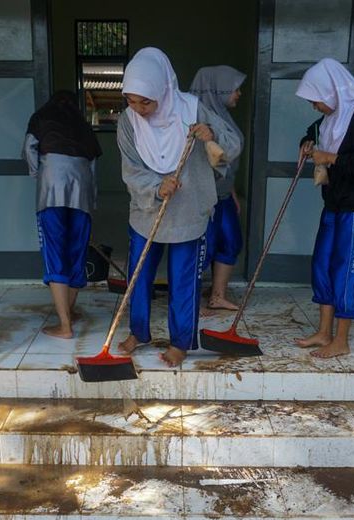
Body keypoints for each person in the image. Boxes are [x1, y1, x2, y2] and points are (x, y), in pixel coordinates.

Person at [115, 47, 242, 367]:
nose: (138, 108)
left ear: (163, 90)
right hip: (147, 211)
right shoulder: (128, 122)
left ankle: (181, 341)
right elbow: (130, 168)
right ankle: (139, 332)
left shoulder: (191, 108)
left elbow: (232, 144)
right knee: (138, 276)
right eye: (131, 100)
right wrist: (156, 186)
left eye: (146, 100)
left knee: (183, 279)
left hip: (188, 211)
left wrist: (210, 134)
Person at [294, 58, 354, 359]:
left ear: (332, 90)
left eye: (316, 101)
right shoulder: (333, 116)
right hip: (335, 202)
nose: (316, 107)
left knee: (347, 269)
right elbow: (315, 131)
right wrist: (307, 143)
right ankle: (324, 332)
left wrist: (329, 158)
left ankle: (342, 339)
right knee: (323, 263)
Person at [23, 90, 103, 339]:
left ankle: (65, 325)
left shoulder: (41, 117)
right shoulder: (82, 124)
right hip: (82, 194)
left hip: (52, 192)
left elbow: (29, 148)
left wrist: (39, 173)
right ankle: (68, 312)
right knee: (76, 251)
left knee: (55, 251)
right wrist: (92, 199)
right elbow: (93, 167)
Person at [189, 65, 247, 314]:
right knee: (202, 249)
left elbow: (225, 160)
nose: (239, 93)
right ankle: (189, 301)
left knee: (231, 241)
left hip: (223, 194)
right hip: (202, 198)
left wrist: (231, 189)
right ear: (219, 89)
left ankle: (217, 296)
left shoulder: (221, 115)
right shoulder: (197, 118)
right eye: (235, 89)